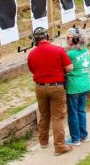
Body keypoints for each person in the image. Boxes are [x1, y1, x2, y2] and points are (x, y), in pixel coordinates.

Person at [27, 27, 73, 156]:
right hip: (57, 87)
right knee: (57, 117)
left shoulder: (31, 54)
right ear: (47, 37)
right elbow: (69, 68)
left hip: (40, 87)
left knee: (44, 114)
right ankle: (59, 147)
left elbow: (33, 70)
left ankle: (43, 142)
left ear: (35, 40)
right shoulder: (59, 50)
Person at [65, 28, 90, 146]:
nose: (66, 40)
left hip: (74, 86)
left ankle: (75, 139)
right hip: (85, 84)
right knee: (81, 111)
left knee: (73, 113)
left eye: (68, 37)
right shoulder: (85, 50)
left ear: (75, 39)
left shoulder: (70, 54)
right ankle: (83, 136)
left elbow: (64, 68)